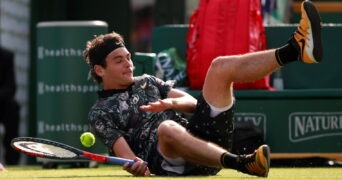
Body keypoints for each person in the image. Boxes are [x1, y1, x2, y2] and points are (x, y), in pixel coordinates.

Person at [83, 1, 322, 177]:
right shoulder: (100, 112)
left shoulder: (148, 81)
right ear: (100, 70)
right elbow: (125, 154)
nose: (129, 63)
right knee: (167, 127)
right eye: (119, 60)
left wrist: (171, 103)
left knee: (219, 67)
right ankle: (242, 163)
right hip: (169, 162)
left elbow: (197, 105)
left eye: (128, 57)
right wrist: (134, 165)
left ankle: (296, 49)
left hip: (204, 141)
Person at [0, 47, 20, 165]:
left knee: (12, 108)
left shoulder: (6, 56)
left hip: (2, 103)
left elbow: (10, 88)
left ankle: (12, 161)